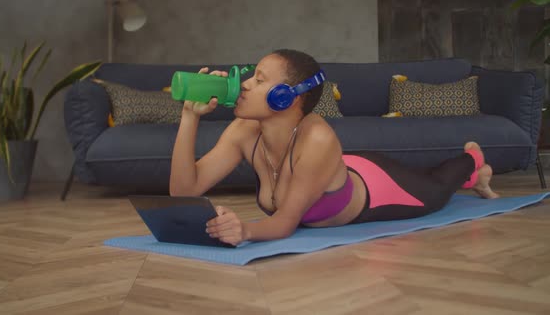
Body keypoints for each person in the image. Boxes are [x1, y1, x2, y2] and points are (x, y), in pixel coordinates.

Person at [170, 49, 500, 246]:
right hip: (339, 168)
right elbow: (185, 191)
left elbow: (285, 223)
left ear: (286, 97)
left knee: (437, 188)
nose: (244, 83)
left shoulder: (317, 138)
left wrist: (244, 230)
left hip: (377, 188)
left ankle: (473, 165)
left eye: (259, 79)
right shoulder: (243, 131)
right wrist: (189, 116)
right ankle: (474, 171)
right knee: (432, 181)